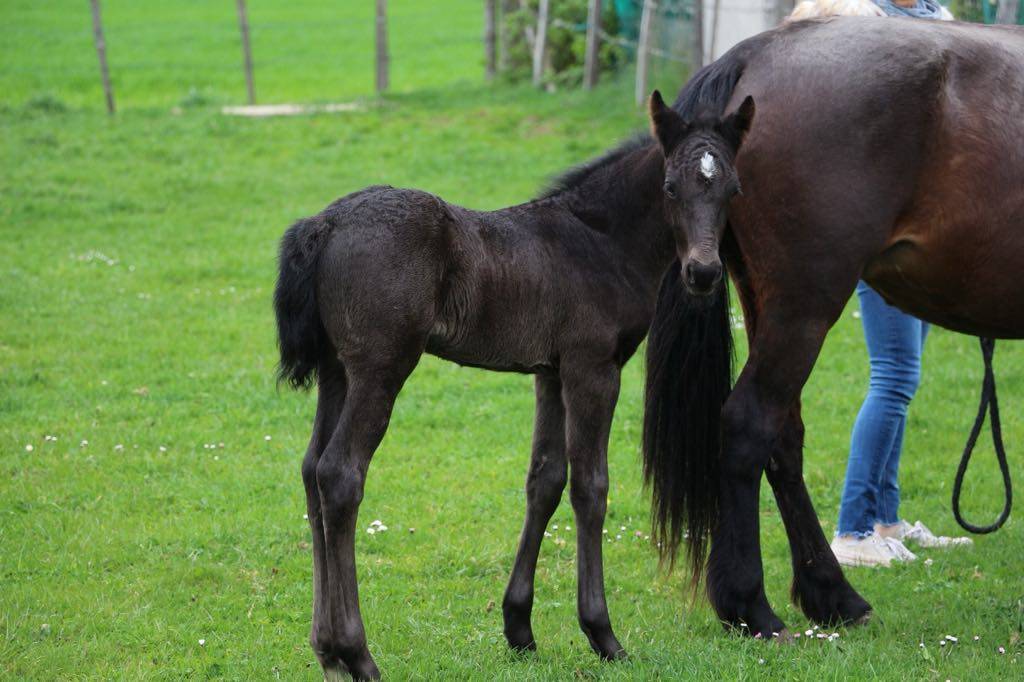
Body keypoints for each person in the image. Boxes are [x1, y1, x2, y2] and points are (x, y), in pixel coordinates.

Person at [785, 0, 971, 568]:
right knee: (893, 377)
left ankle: (886, 522)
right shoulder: (858, 14)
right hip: (884, 227)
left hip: (928, 231)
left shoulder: (939, 18)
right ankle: (852, 529)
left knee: (903, 380)